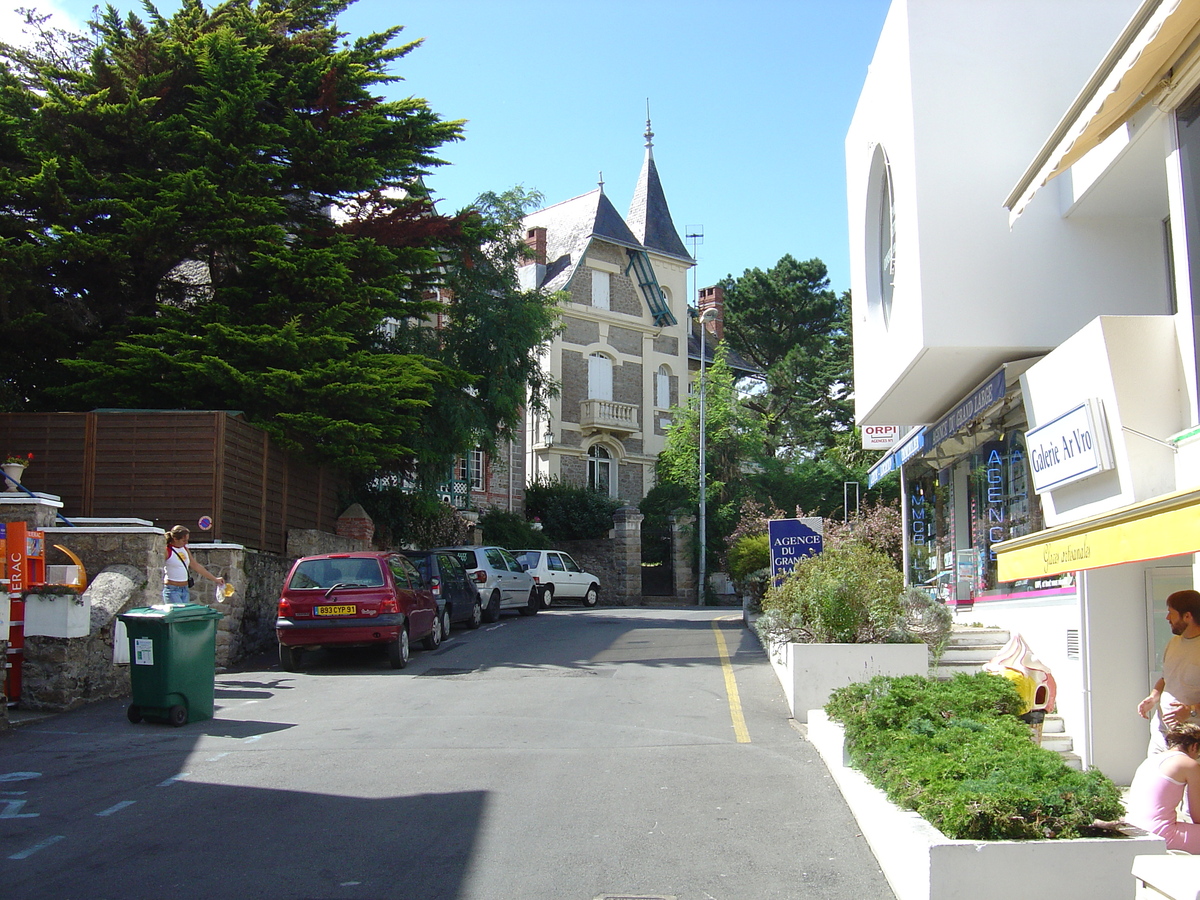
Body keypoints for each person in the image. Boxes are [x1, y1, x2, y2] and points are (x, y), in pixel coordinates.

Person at [1138, 589, 1200, 752]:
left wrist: (1191, 711)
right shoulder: (1173, 643)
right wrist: (1153, 697)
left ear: (1187, 616)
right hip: (1161, 733)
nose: (1167, 618)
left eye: (1171, 613)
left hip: (1191, 742)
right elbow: (1166, 678)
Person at [1125, 723, 1200, 853]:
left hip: (1134, 828)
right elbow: (1197, 816)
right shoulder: (1189, 764)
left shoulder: (1150, 760)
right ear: (1194, 746)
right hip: (1161, 834)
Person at [163, 525, 225, 605]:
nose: (186, 543)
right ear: (175, 539)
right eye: (184, 540)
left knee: (184, 615)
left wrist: (215, 579)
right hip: (172, 589)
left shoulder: (184, 549)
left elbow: (196, 566)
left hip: (184, 588)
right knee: (179, 615)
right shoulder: (167, 550)